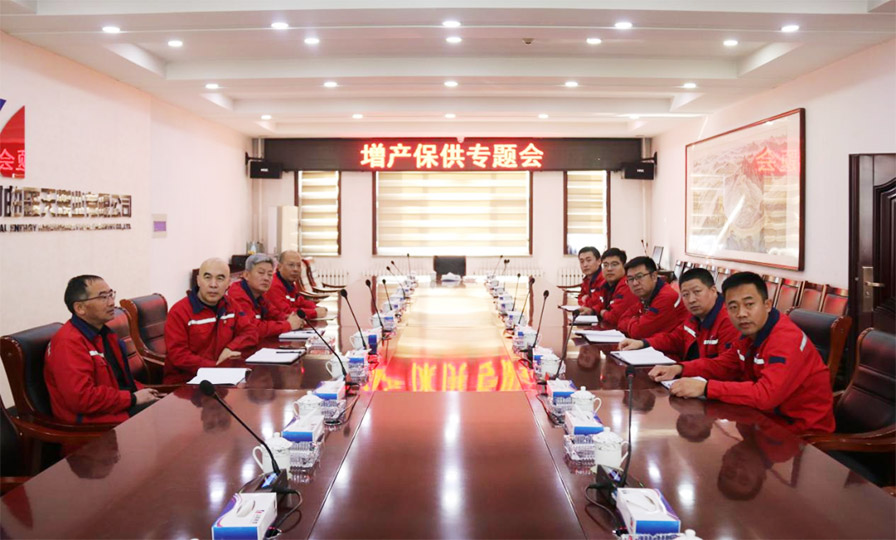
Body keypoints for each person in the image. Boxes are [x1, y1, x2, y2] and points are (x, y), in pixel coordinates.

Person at [648, 271, 835, 434]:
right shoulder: (749, 333)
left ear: (767, 305)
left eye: (749, 304)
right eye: (733, 307)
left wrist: (706, 388)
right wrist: (679, 368)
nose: (741, 313)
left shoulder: (785, 339)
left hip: (800, 433)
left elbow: (766, 395)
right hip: (762, 421)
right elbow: (724, 364)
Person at [44, 275, 160, 424]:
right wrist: (132, 398)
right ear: (80, 308)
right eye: (103, 297)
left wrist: (142, 391)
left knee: (171, 405)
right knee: (165, 416)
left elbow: (119, 382)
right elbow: (81, 398)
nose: (111, 302)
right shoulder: (68, 342)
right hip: (93, 423)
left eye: (111, 294)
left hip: (116, 408)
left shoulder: (105, 334)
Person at [163, 258, 258, 384]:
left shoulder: (231, 305)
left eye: (220, 278)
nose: (213, 284)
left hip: (224, 378)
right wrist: (216, 366)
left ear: (228, 283)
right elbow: (179, 355)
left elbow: (250, 332)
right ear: (198, 281)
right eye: (207, 277)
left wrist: (230, 348)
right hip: (186, 383)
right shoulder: (179, 311)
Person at [619, 267, 738, 361]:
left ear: (713, 290)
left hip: (705, 381)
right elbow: (674, 339)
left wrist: (682, 369)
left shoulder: (729, 320)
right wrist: (643, 343)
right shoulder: (694, 316)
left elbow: (723, 367)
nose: (691, 300)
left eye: (697, 292)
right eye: (685, 294)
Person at [227, 253, 304, 339]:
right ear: (246, 275)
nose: (266, 278)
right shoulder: (237, 295)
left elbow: (274, 314)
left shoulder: (260, 295)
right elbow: (253, 329)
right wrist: (288, 325)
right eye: (261, 273)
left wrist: (291, 318)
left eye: (270, 274)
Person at [617, 256, 688, 339]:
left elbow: (639, 332)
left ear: (654, 276)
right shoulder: (646, 295)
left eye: (639, 276)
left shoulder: (666, 297)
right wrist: (636, 321)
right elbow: (621, 322)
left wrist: (635, 320)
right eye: (630, 279)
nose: (635, 283)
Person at [266, 250, 327, 319]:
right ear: (279, 267)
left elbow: (301, 302)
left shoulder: (289, 283)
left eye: (298, 265)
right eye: (291, 265)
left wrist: (316, 308)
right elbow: (286, 312)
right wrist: (314, 313)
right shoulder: (273, 285)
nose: (296, 269)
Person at [592, 247, 640, 329]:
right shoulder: (605, 284)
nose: (609, 269)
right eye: (605, 265)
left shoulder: (628, 286)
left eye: (614, 264)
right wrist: (593, 310)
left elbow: (614, 318)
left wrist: (602, 312)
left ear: (624, 266)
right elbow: (598, 304)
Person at [575, 246, 604, 315]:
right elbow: (580, 298)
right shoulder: (587, 279)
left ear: (599, 261)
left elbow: (598, 303)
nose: (585, 265)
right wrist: (586, 299)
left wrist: (585, 299)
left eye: (588, 260)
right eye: (582, 261)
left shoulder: (603, 279)